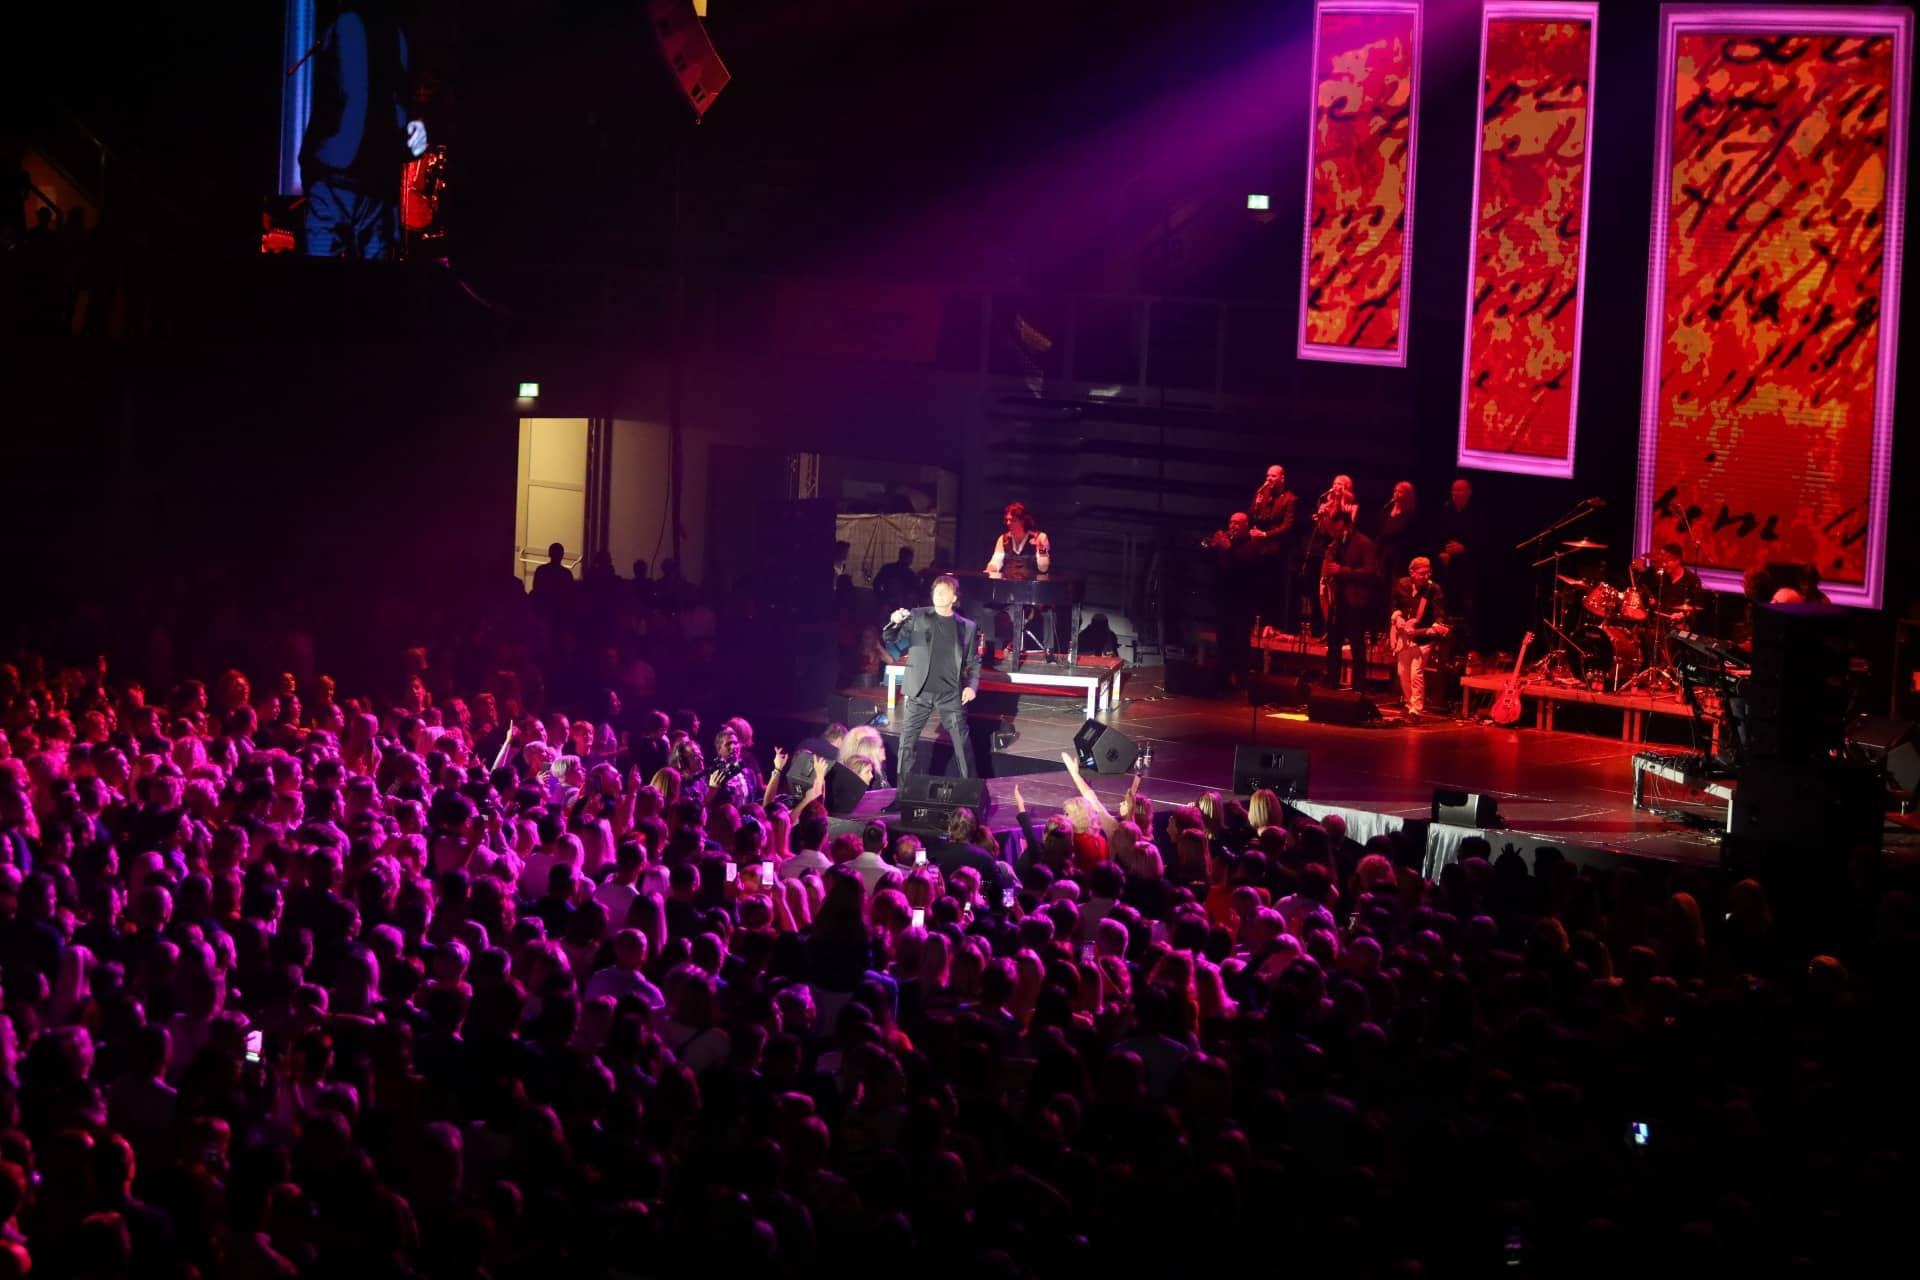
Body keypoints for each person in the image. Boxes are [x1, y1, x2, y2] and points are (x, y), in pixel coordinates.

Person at [298, 2, 430, 260]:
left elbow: (399, 104)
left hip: (372, 185)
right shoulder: (345, 23)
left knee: (372, 286)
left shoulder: (394, 33)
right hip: (335, 178)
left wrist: (414, 136)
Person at [882, 575, 983, 779]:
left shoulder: (967, 627)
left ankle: (971, 790)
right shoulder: (918, 616)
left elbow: (974, 661)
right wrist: (894, 623)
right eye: (936, 590)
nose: (938, 594)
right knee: (907, 743)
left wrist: (972, 686)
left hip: (950, 693)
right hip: (919, 692)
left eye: (944, 591)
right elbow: (890, 638)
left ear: (954, 598)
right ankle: (903, 794)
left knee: (962, 744)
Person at [985, 502, 1055, 660]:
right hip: (1008, 592)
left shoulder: (1039, 537)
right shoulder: (1002, 540)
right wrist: (989, 570)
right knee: (987, 611)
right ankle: (989, 650)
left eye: (1012, 520)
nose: (1008, 523)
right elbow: (995, 563)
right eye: (1007, 520)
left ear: (1022, 520)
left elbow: (1043, 568)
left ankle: (1049, 650)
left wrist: (1041, 550)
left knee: (1048, 610)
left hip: (1031, 593)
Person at [1321, 509, 1381, 692]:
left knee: (1357, 646)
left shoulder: (1365, 543)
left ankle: (1358, 688)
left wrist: (1342, 571)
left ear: (1349, 526)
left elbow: (1370, 572)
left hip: (1356, 602)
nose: (1337, 535)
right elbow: (1329, 560)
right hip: (1338, 601)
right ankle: (1331, 685)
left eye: (1340, 531)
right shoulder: (1336, 544)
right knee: (1333, 645)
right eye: (1335, 532)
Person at [1204, 513, 1264, 686]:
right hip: (1223, 600)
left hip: (1241, 602)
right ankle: (1222, 676)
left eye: (1237, 524)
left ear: (1246, 525)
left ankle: (1240, 678)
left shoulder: (1252, 546)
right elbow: (1208, 561)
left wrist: (1228, 548)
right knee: (1222, 640)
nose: (1232, 526)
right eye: (1230, 522)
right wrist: (1211, 546)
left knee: (1239, 641)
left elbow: (1243, 570)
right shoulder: (1225, 545)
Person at [1389, 557, 1449, 717]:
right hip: (1403, 635)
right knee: (1403, 673)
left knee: (1416, 672)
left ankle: (1416, 708)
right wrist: (1397, 617)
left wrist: (1437, 625)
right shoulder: (1402, 584)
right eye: (1422, 573)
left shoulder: (1434, 589)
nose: (1426, 576)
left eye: (1428, 573)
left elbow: (1439, 614)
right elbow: (1395, 605)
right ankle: (1410, 704)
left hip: (1423, 637)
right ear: (1412, 572)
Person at [1433, 477, 1486, 653]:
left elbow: (1483, 541)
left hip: (1468, 568)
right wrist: (1442, 552)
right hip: (1448, 569)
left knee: (1468, 608)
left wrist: (1463, 548)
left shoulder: (1477, 512)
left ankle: (1471, 649)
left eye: (1460, 490)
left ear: (1468, 492)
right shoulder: (1446, 509)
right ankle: (1443, 646)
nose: (1455, 493)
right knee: (1444, 605)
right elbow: (1435, 535)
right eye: (1453, 490)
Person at [1249, 464, 1298, 623]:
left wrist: (1265, 534)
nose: (1269, 479)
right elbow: (1253, 517)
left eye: (1273, 476)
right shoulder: (1262, 494)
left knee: (1272, 588)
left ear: (1282, 478)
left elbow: (1288, 526)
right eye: (1267, 476)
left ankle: (1271, 623)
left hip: (1276, 550)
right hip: (1259, 548)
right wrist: (1256, 505)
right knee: (1256, 586)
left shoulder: (1290, 499)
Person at [1633, 543, 1704, 619]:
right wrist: (1652, 601)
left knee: (1675, 631)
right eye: (1662, 562)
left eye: (1667, 562)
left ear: (1677, 561)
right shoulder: (1661, 577)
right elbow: (1656, 600)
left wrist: (1682, 615)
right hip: (1661, 622)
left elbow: (1698, 608)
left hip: (1681, 626)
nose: (1663, 565)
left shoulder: (1692, 580)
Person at [872, 547, 922, 615]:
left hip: (888, 604)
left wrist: (881, 598)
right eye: (911, 558)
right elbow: (915, 591)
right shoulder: (910, 574)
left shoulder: (887, 568)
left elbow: (876, 583)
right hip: (900, 608)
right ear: (909, 558)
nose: (911, 560)